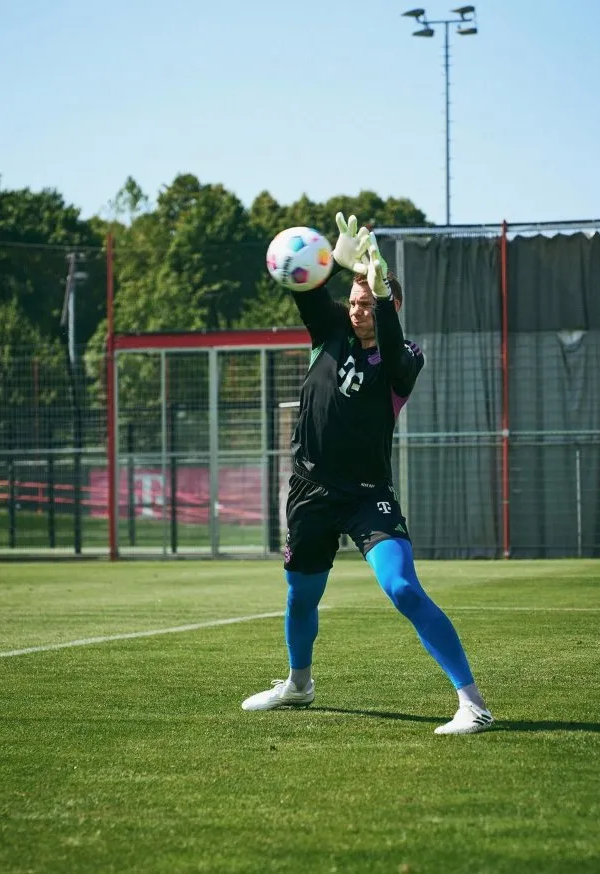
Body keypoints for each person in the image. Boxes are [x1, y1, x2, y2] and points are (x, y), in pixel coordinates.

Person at [241, 214, 493, 735]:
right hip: (310, 490)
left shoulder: (405, 359)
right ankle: (299, 684)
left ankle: (473, 704)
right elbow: (308, 289)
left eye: (370, 303)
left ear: (391, 307)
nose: (358, 310)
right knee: (300, 596)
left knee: (402, 587)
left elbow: (397, 352)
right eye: (354, 302)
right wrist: (334, 262)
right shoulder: (330, 330)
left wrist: (380, 293)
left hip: (367, 496)